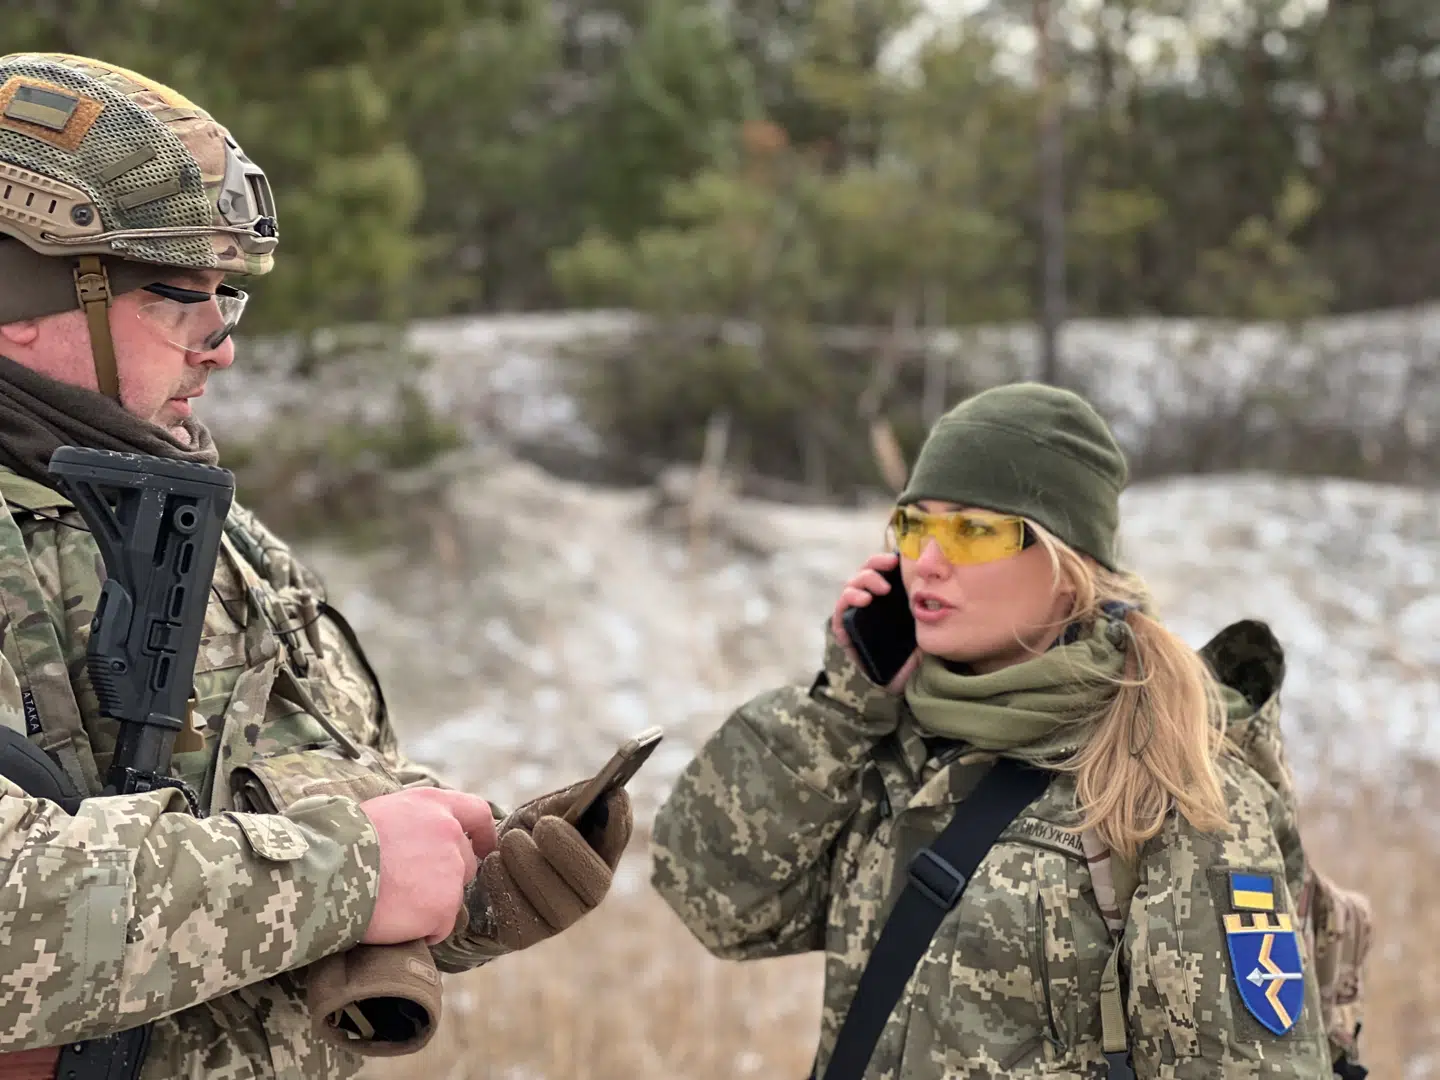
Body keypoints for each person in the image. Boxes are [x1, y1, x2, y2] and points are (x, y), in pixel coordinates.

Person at [0, 53, 631, 1080]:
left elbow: (310, 800)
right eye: (179, 299)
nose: (221, 345)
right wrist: (358, 869)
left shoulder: (201, 523)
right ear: (16, 296)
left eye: (228, 302)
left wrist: (470, 888)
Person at [650, 382, 1337, 1078]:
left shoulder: (1168, 779)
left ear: (1069, 570)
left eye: (974, 531)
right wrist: (841, 701)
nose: (929, 560)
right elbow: (715, 900)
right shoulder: (890, 746)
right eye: (914, 526)